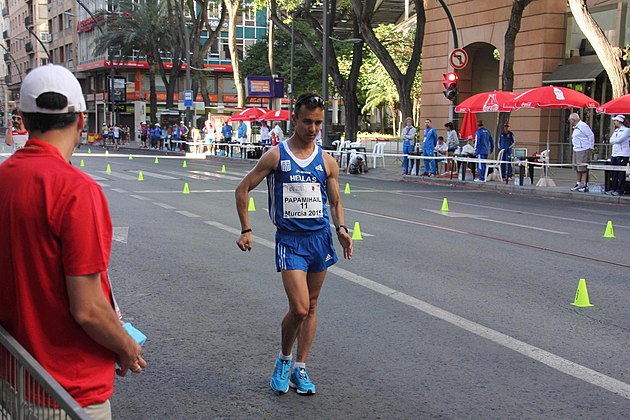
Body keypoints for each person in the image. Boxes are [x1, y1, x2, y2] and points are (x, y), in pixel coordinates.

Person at [0, 64, 146, 419]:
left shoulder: (4, 178)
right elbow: (88, 309)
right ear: (82, 121)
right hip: (68, 393)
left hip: (14, 376)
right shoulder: (77, 191)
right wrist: (126, 346)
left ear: (22, 119)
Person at [235, 92, 353, 396]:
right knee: (299, 308)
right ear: (294, 120)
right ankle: (284, 360)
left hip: (320, 240)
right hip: (290, 241)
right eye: (307, 122)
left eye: (317, 123)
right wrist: (246, 228)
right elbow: (242, 188)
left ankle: (301, 368)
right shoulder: (277, 155)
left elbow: (336, 201)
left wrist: (341, 228)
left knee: (312, 306)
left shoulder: (327, 161)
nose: (312, 128)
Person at [568, 113, 595, 192]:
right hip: (576, 149)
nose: (570, 122)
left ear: (574, 120)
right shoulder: (576, 127)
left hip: (583, 149)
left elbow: (591, 135)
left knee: (583, 167)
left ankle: (585, 184)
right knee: (577, 167)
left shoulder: (583, 126)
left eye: (570, 120)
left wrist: (590, 147)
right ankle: (578, 183)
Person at [606, 114, 630, 196]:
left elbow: (620, 139)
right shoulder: (616, 131)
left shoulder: (627, 130)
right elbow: (611, 140)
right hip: (615, 153)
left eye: (615, 121)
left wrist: (615, 141)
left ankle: (620, 189)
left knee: (621, 172)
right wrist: (615, 141)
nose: (614, 122)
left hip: (623, 153)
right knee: (613, 171)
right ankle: (613, 188)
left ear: (620, 121)